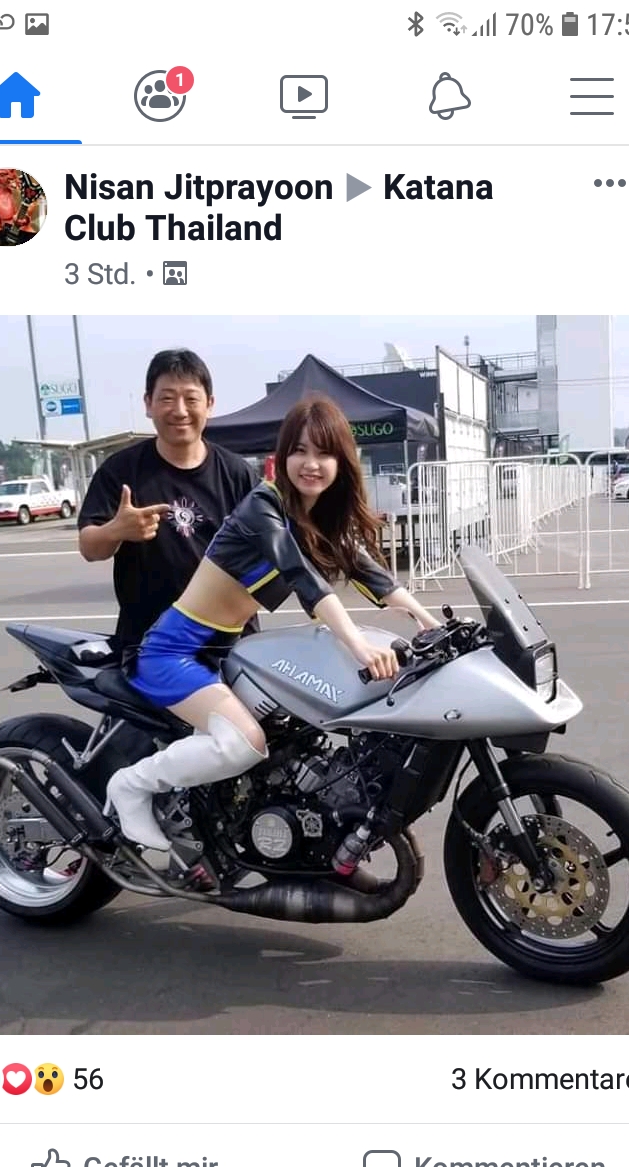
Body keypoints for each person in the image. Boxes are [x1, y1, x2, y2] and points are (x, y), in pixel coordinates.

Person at [104, 395, 440, 879]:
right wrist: (358, 645)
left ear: (342, 461)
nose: (311, 464)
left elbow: (366, 570)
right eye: (299, 450)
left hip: (224, 653)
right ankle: (131, 785)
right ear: (281, 457)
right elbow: (304, 578)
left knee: (291, 737)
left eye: (324, 453)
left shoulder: (316, 515)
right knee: (242, 743)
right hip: (175, 652)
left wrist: (428, 621)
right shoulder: (263, 506)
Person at [78, 349, 258, 659]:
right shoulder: (120, 471)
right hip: (150, 644)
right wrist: (116, 530)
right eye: (167, 398)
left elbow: (270, 551)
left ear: (210, 404)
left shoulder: (237, 474)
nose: (180, 410)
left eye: (191, 399)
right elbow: (89, 548)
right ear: (148, 404)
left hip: (231, 643)